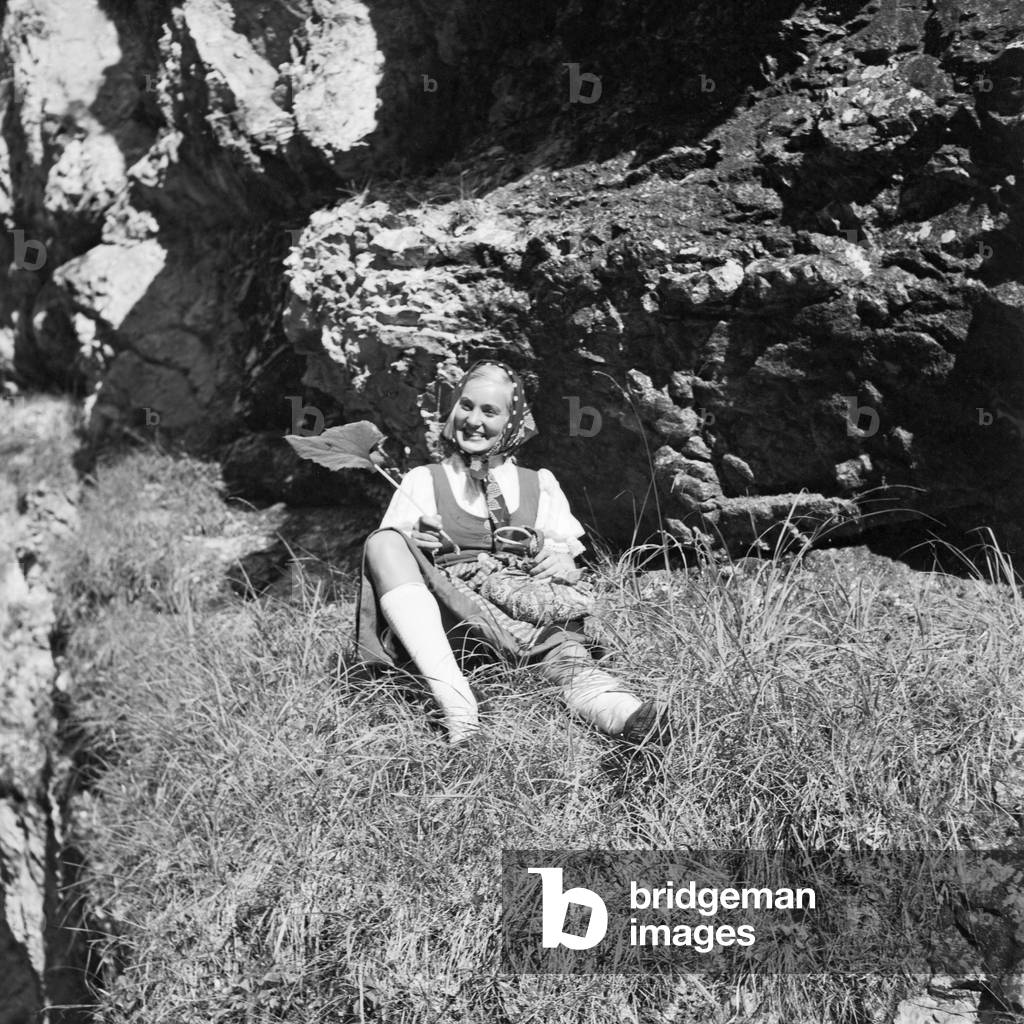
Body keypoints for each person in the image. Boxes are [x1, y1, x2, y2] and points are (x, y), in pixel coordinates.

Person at [352, 358, 671, 747]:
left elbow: (566, 563)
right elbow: (389, 564)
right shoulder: (422, 481)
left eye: (490, 411)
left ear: (512, 421)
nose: (474, 420)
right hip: (452, 621)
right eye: (465, 406)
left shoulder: (540, 485)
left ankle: (627, 717)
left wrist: (559, 561)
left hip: (521, 612)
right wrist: (416, 542)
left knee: (570, 664)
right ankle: (458, 707)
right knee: (383, 541)